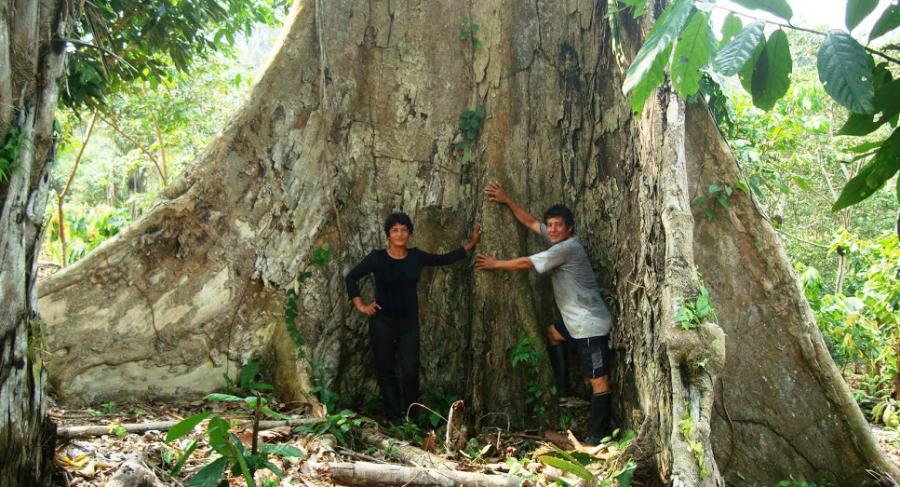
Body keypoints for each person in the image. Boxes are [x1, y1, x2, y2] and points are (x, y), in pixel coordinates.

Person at [475, 180, 613, 444]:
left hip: (590, 327)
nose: (552, 229)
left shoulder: (568, 248)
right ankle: (563, 392)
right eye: (550, 226)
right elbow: (530, 222)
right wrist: (506, 199)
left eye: (558, 225)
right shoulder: (556, 240)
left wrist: (495, 264)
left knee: (600, 381)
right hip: (574, 325)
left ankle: (598, 439)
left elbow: (528, 262)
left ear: (569, 228)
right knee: (552, 333)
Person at [346, 212, 481, 425]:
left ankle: (412, 418)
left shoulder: (416, 257)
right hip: (382, 322)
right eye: (394, 230)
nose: (399, 234)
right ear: (388, 234)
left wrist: (471, 244)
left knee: (410, 371)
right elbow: (351, 277)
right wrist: (361, 305)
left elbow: (442, 259)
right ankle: (394, 417)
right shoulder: (377, 257)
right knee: (386, 370)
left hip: (408, 324)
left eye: (404, 230)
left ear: (409, 233)